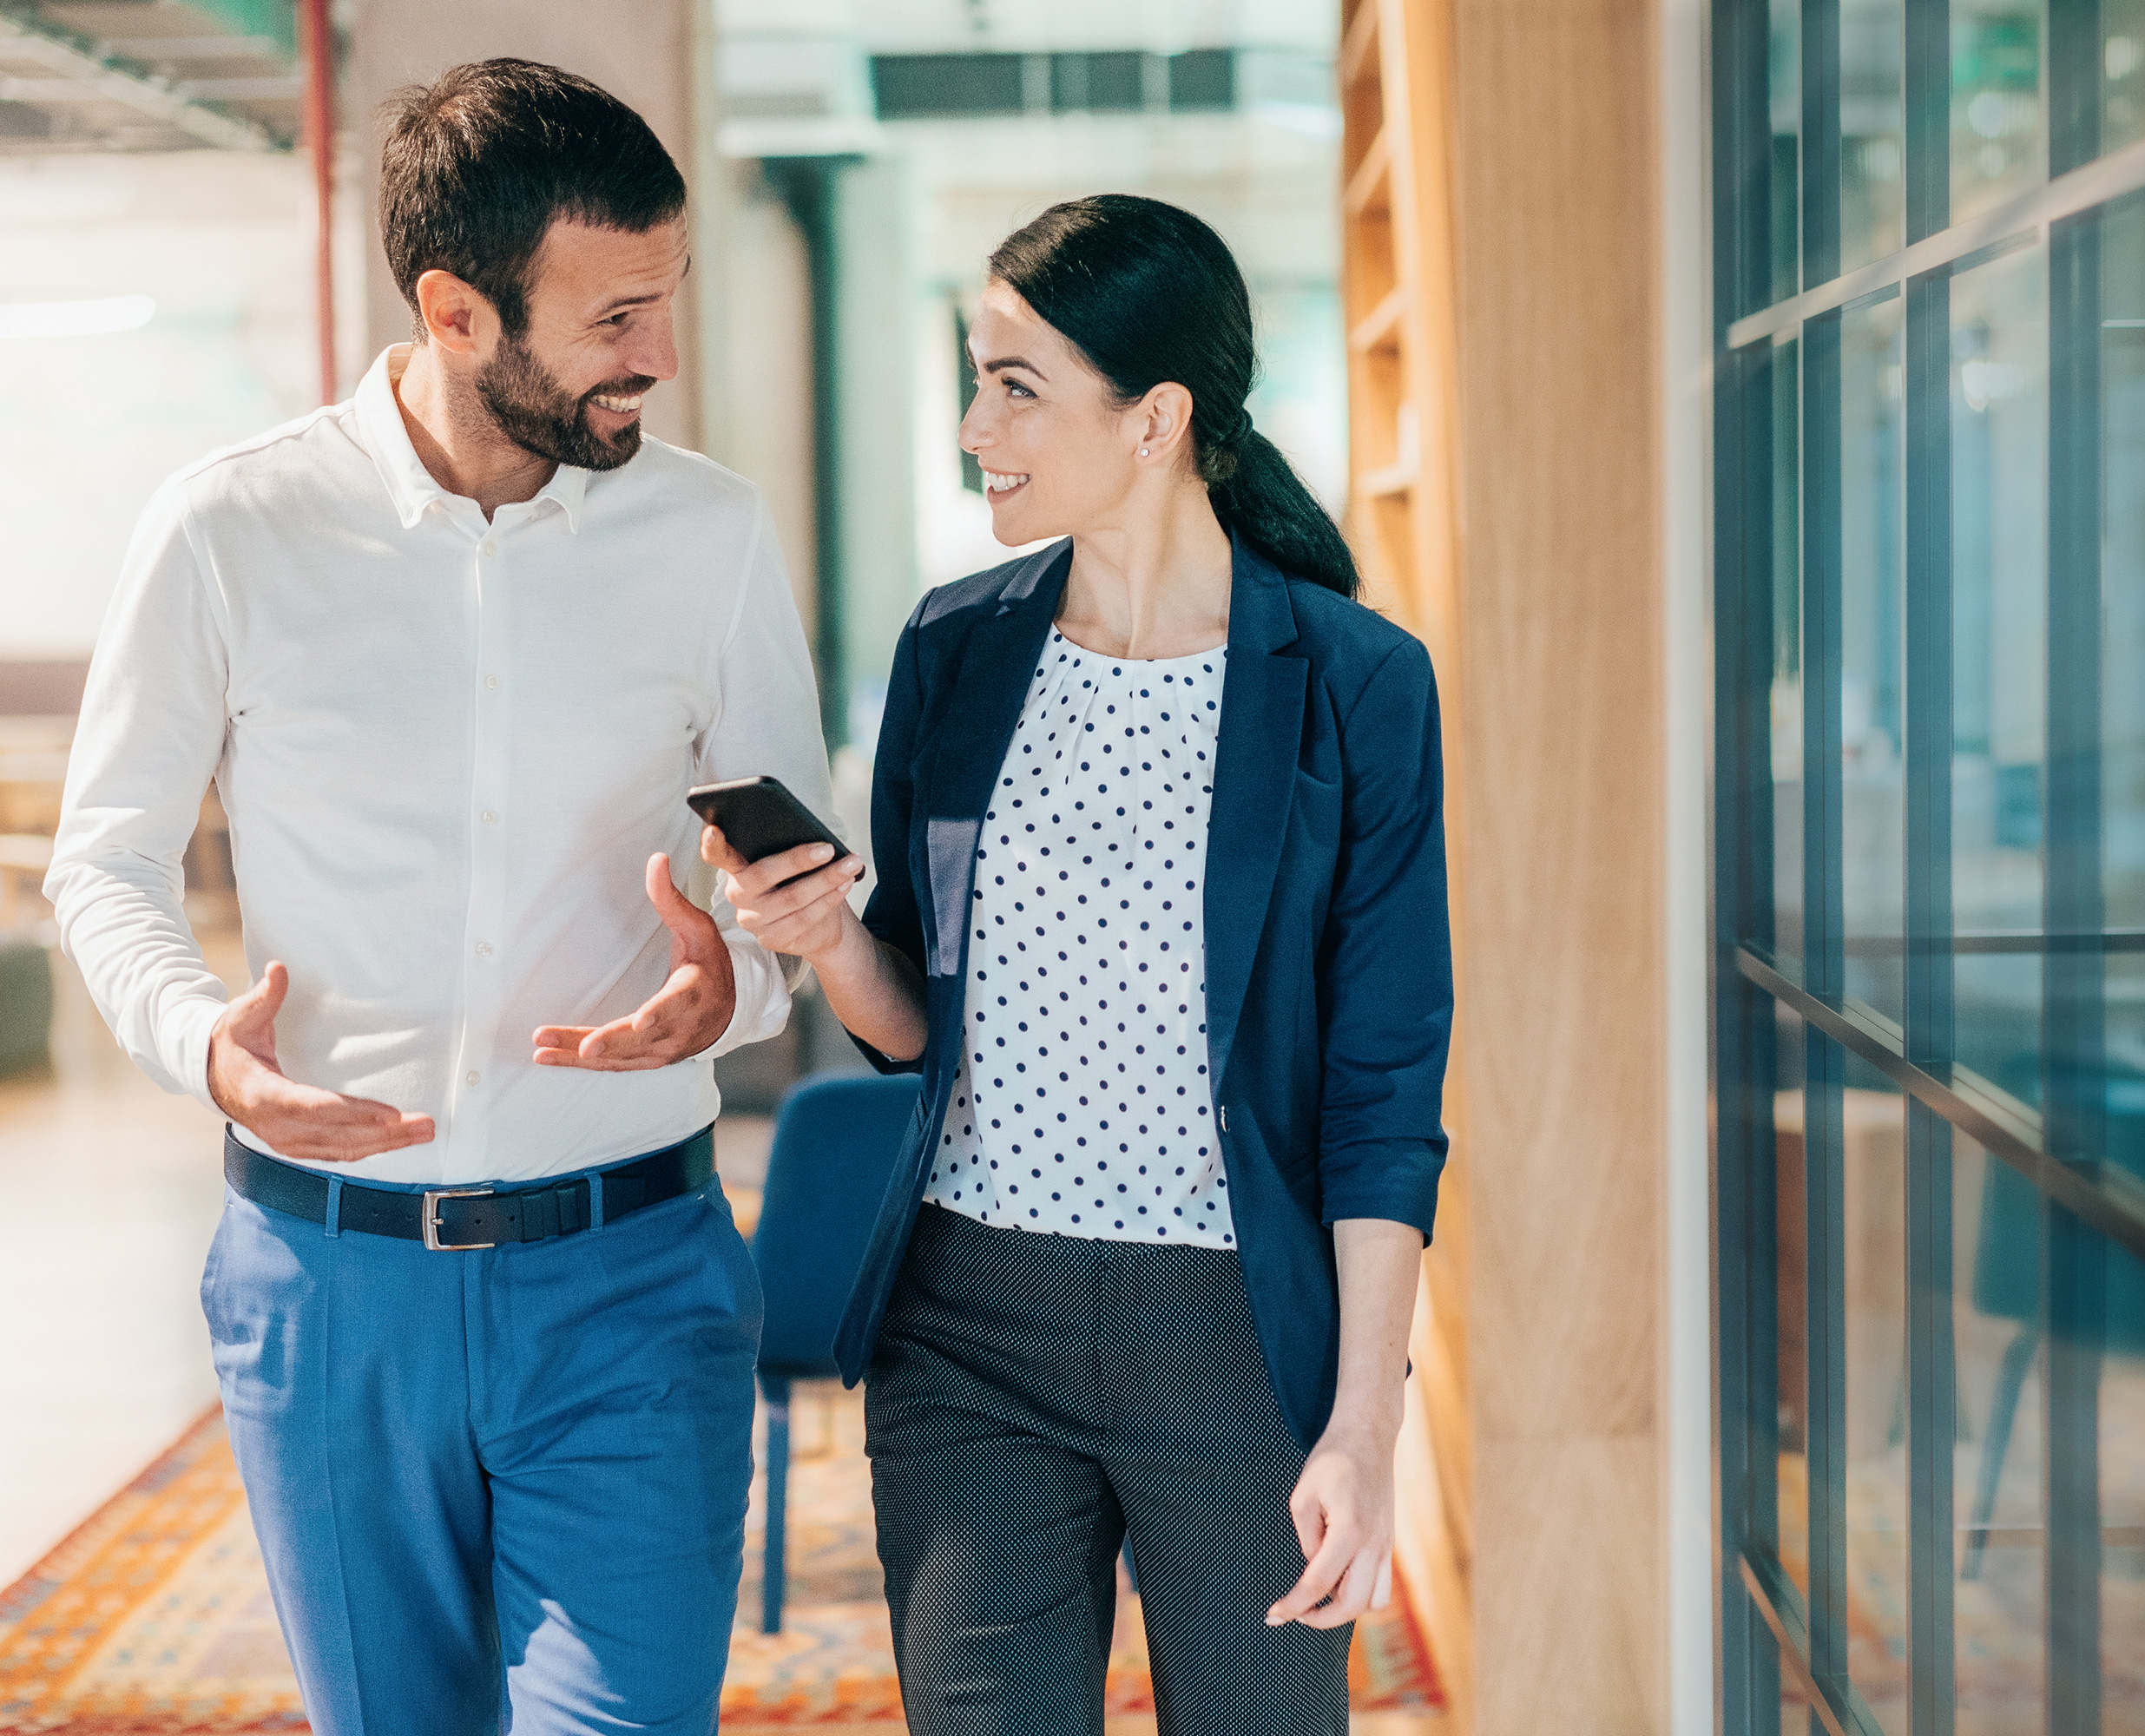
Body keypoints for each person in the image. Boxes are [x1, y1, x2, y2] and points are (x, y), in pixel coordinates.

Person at [45, 59, 830, 1736]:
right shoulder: (230, 529)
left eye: (666, 299)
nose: (660, 358)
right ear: (458, 310)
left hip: (634, 1277)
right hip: (330, 1303)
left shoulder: (710, 537)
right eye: (615, 316)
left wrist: (741, 989)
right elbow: (103, 859)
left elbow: (793, 881)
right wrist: (203, 1046)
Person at [705, 194, 1451, 1734]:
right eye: (973, 378)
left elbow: (1384, 1084)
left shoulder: (1354, 685)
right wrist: (831, 936)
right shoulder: (956, 649)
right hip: (968, 1325)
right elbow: (919, 1030)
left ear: (1157, 416)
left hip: (1236, 1336)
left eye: (1016, 385)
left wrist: (1365, 1424)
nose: (977, 423)